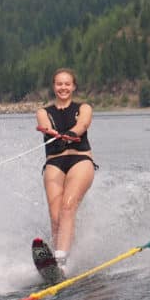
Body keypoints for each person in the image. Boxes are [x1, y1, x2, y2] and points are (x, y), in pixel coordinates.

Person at [36, 68, 96, 267]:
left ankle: (61, 259)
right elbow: (45, 125)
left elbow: (83, 124)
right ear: (54, 87)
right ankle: (58, 257)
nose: (63, 87)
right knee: (55, 216)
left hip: (80, 160)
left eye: (67, 84)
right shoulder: (44, 112)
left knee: (68, 206)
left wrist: (71, 133)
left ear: (73, 86)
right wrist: (52, 133)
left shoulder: (84, 107)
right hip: (55, 161)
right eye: (59, 84)